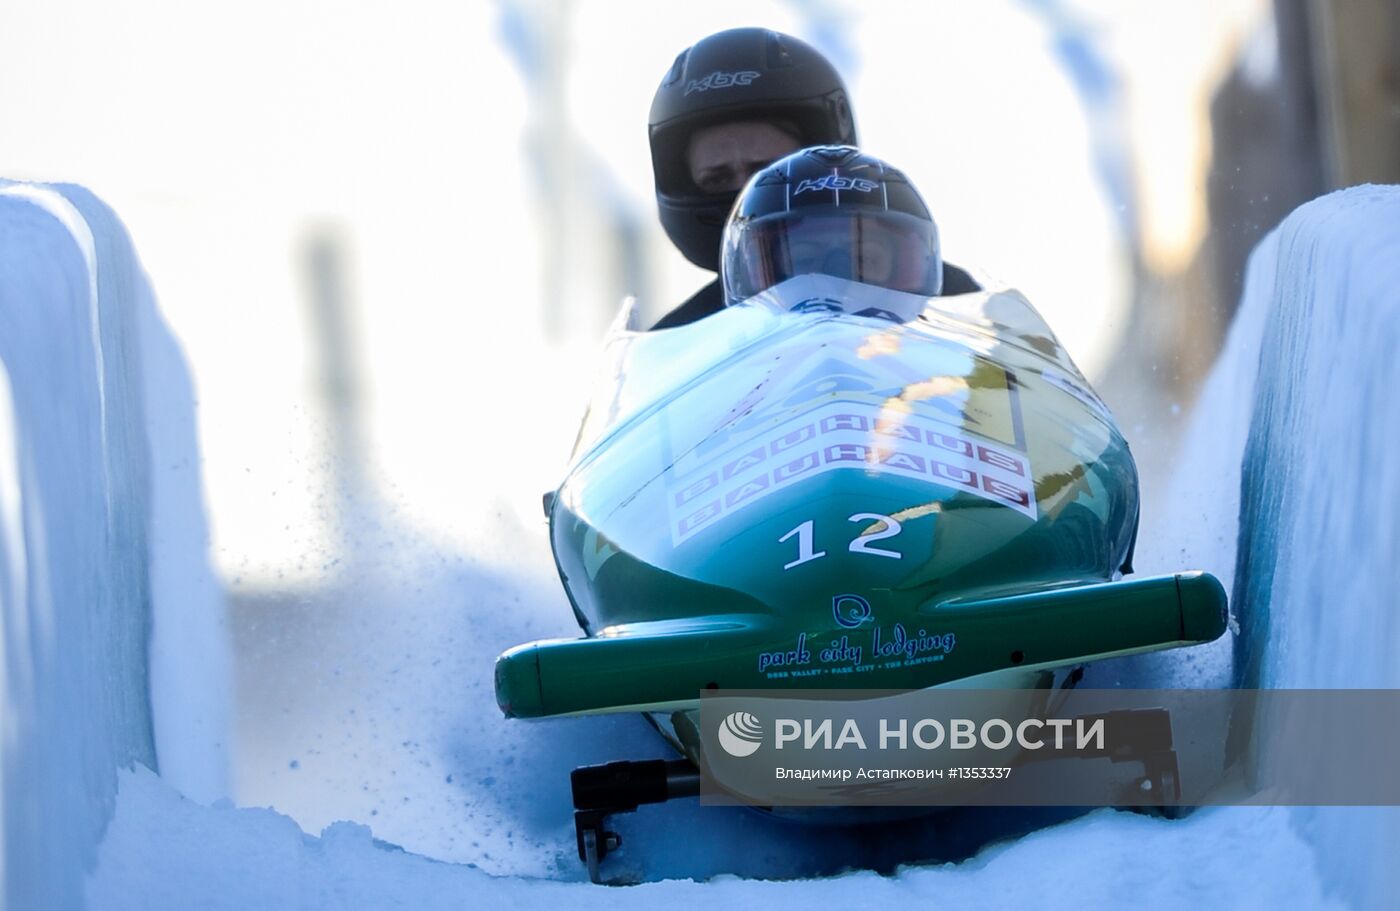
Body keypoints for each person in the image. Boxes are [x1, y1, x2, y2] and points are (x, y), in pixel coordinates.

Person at [647, 27, 978, 330]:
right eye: (718, 178)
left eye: (769, 172)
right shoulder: (674, 346)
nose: (745, 194)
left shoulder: (950, 306)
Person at [721, 145, 944, 307]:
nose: (838, 283)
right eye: (805, 259)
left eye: (864, 260)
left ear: (905, 271)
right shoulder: (720, 358)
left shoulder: (945, 358)